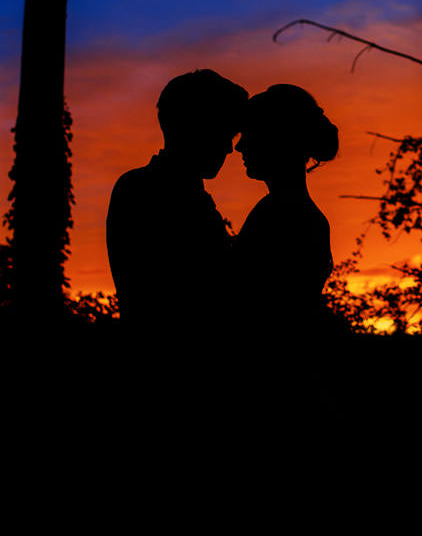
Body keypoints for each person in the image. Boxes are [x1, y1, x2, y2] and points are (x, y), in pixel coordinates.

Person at [105, 69, 247, 325]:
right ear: (193, 128)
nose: (229, 148)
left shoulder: (144, 187)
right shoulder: (147, 192)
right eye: (223, 133)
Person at [235, 84, 346, 339]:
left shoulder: (283, 215)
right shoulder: (293, 212)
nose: (240, 147)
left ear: (277, 139)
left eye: (249, 134)